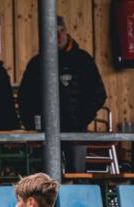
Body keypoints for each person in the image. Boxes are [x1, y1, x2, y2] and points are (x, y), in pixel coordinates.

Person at [17, 16, 106, 173]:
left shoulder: (83, 60)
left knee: (77, 175)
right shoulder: (37, 64)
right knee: (46, 176)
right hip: (45, 131)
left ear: (66, 32)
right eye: (53, 32)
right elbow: (25, 98)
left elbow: (98, 94)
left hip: (75, 130)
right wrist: (32, 125)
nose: (58, 36)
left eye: (61, 31)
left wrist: (81, 118)